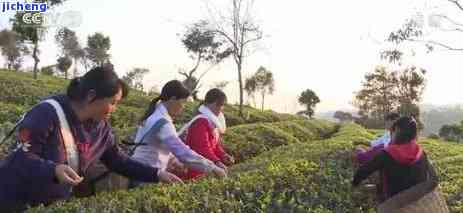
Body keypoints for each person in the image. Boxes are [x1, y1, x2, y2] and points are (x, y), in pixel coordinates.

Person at [0, 65, 180, 212]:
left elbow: (118, 161)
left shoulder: (101, 127)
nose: (114, 109)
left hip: (52, 203)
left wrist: (156, 174)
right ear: (92, 96)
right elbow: (23, 156)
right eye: (112, 102)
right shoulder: (46, 113)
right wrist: (53, 169)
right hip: (15, 199)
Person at [129, 81, 226, 187]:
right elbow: (182, 152)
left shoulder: (155, 115)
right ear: (173, 99)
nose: (183, 107)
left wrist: (173, 160)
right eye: (183, 102)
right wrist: (212, 168)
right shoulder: (162, 122)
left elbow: (156, 146)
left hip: (142, 171)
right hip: (146, 175)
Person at [352, 116, 436, 202]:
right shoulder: (421, 152)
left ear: (395, 131)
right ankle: (377, 188)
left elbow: (364, 170)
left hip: (393, 202)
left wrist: (354, 184)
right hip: (416, 200)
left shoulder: (387, 153)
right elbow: (432, 177)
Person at [176, 88, 234, 180]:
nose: (221, 109)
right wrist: (217, 162)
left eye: (222, 105)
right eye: (220, 105)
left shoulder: (210, 122)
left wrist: (223, 155)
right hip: (193, 168)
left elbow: (214, 145)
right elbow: (201, 148)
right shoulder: (200, 122)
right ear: (211, 104)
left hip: (204, 167)